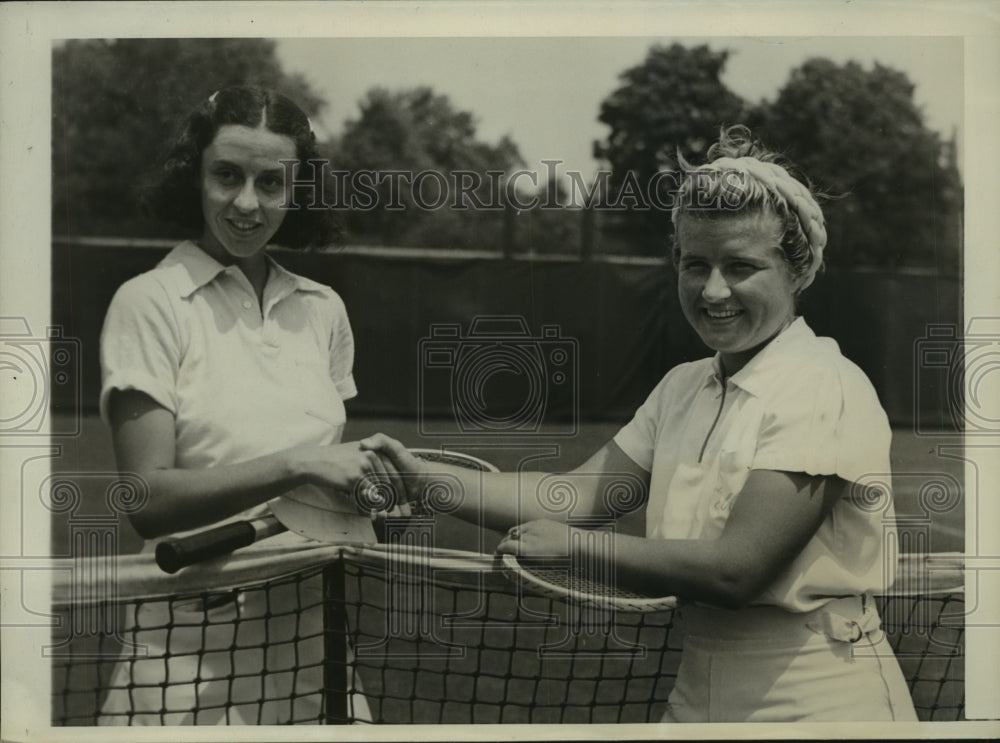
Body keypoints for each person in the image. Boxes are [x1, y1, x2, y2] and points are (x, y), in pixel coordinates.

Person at [362, 125, 919, 722]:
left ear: (795, 270)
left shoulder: (821, 382)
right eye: (695, 263)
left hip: (820, 692)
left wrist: (576, 549)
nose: (713, 290)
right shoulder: (683, 386)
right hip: (695, 684)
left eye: (741, 266)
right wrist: (421, 479)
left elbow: (737, 570)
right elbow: (575, 496)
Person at [97, 86, 389, 724]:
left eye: (271, 182)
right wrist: (299, 465)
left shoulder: (323, 310)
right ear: (193, 175)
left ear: (298, 189)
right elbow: (147, 501)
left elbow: (330, 480)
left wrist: (368, 488)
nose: (247, 203)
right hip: (183, 650)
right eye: (226, 175)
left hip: (312, 634)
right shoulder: (148, 303)